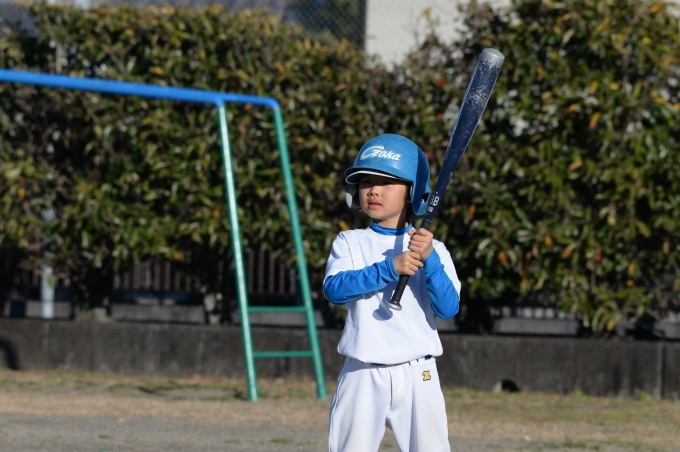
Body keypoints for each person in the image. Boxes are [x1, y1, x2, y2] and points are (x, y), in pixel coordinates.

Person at [324, 133, 461, 452]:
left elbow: (448, 308)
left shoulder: (433, 248)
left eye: (386, 182)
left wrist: (430, 261)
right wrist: (390, 268)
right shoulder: (350, 242)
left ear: (413, 192)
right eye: (366, 181)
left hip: (418, 373)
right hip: (362, 372)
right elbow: (335, 290)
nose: (373, 190)